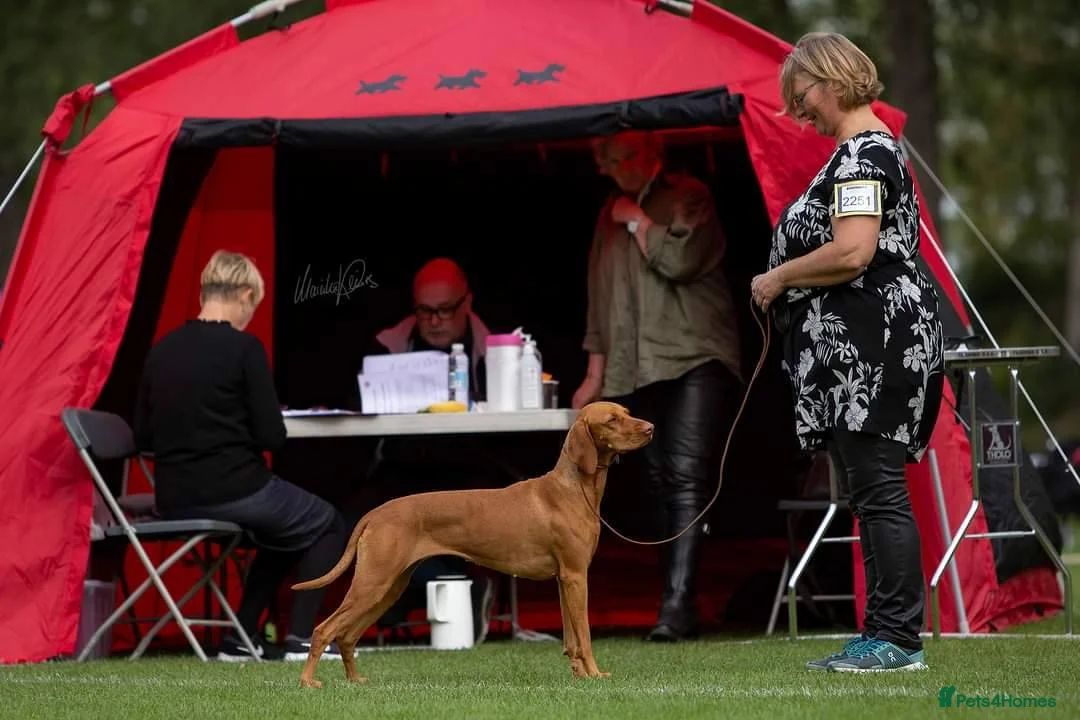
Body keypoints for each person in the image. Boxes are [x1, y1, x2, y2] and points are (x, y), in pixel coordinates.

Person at [750, 31, 944, 672]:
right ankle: (882, 632)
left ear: (832, 81)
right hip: (859, 351)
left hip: (877, 349)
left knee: (881, 490)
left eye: (801, 95)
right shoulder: (857, 154)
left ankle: (896, 640)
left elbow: (855, 251)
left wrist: (778, 277)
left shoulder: (863, 156)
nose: (797, 111)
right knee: (870, 491)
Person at [134, 250, 350, 662]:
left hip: (174, 496)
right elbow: (273, 436)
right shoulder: (244, 349)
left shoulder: (162, 350)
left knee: (282, 532)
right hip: (235, 488)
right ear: (246, 294)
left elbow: (143, 434)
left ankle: (239, 638)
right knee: (326, 524)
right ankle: (305, 640)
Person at [572, 131, 745, 642]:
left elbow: (681, 261)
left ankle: (677, 607)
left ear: (652, 151)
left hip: (694, 357)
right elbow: (598, 297)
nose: (612, 168)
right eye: (605, 160)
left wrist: (639, 222)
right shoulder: (608, 212)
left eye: (619, 156)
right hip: (635, 367)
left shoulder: (689, 195)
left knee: (688, 475)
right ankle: (674, 599)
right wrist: (594, 375)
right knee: (657, 482)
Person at [357, 258, 496, 643]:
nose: (434, 320)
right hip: (401, 472)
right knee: (360, 522)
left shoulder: (496, 352)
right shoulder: (385, 347)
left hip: (468, 471)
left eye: (445, 310)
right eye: (424, 311)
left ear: (467, 304)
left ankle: (417, 595)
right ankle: (445, 586)